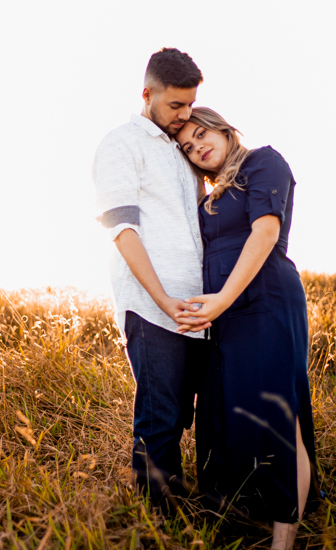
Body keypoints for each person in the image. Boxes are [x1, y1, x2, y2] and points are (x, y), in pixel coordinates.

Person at [174, 107, 323, 550]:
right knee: (231, 415)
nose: (199, 147)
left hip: (264, 301)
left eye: (202, 134)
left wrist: (220, 299)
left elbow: (266, 233)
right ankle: (247, 514)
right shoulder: (208, 199)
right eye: (190, 148)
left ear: (223, 127)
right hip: (223, 315)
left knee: (279, 418)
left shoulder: (263, 162)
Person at [91, 48, 212, 514]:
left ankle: (198, 505)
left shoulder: (183, 149)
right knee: (160, 418)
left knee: (187, 416)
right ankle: (158, 524)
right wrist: (160, 297)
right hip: (151, 303)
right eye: (175, 105)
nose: (184, 115)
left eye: (190, 104)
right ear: (147, 94)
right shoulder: (122, 143)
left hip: (199, 307)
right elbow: (122, 228)